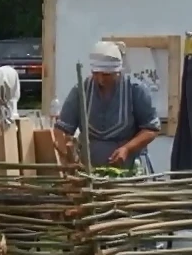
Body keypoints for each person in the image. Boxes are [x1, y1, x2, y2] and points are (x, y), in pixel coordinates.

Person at [52, 41, 160, 172]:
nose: (101, 79)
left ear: (118, 72)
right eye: (96, 73)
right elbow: (62, 128)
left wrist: (127, 149)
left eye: (107, 75)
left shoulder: (135, 90)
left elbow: (151, 129)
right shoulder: (82, 90)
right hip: (89, 169)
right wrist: (68, 156)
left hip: (128, 168)